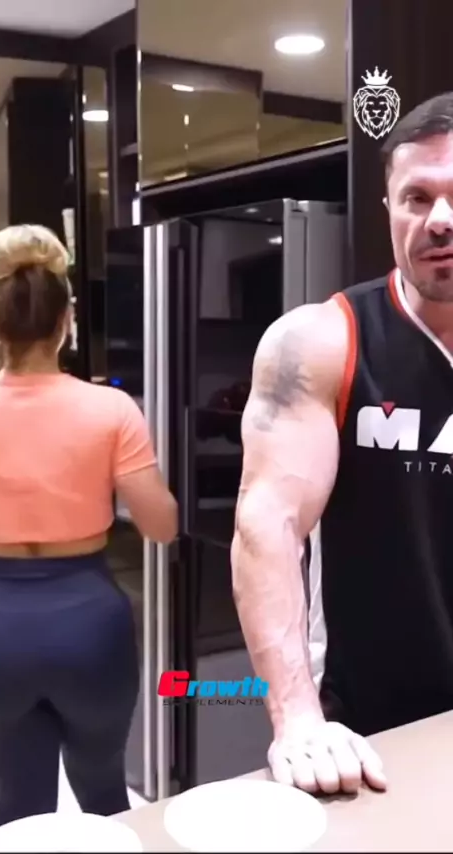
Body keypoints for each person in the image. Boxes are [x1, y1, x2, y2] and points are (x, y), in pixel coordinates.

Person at [232, 91, 453, 797]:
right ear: (388, 208)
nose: (439, 219)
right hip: (369, 733)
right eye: (416, 197)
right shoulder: (323, 342)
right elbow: (269, 525)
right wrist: (296, 718)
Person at [0, 224, 177, 829]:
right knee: (106, 803)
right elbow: (161, 525)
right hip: (91, 629)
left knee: (16, 815)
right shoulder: (110, 409)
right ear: (68, 320)